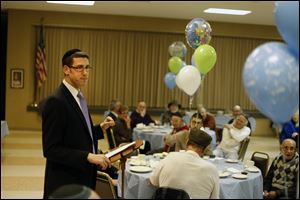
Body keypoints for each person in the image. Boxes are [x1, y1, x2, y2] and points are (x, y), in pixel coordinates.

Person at [42, 49, 115, 198]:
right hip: (66, 180)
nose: (85, 72)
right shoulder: (56, 101)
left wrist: (99, 129)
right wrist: (88, 156)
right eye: (79, 67)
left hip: (82, 175)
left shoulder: (78, 95)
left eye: (87, 67)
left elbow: (76, 134)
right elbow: (51, 149)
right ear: (66, 70)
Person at [150, 128, 219, 199]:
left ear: (187, 142)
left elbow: (153, 182)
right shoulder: (212, 170)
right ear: (204, 149)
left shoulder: (170, 157)